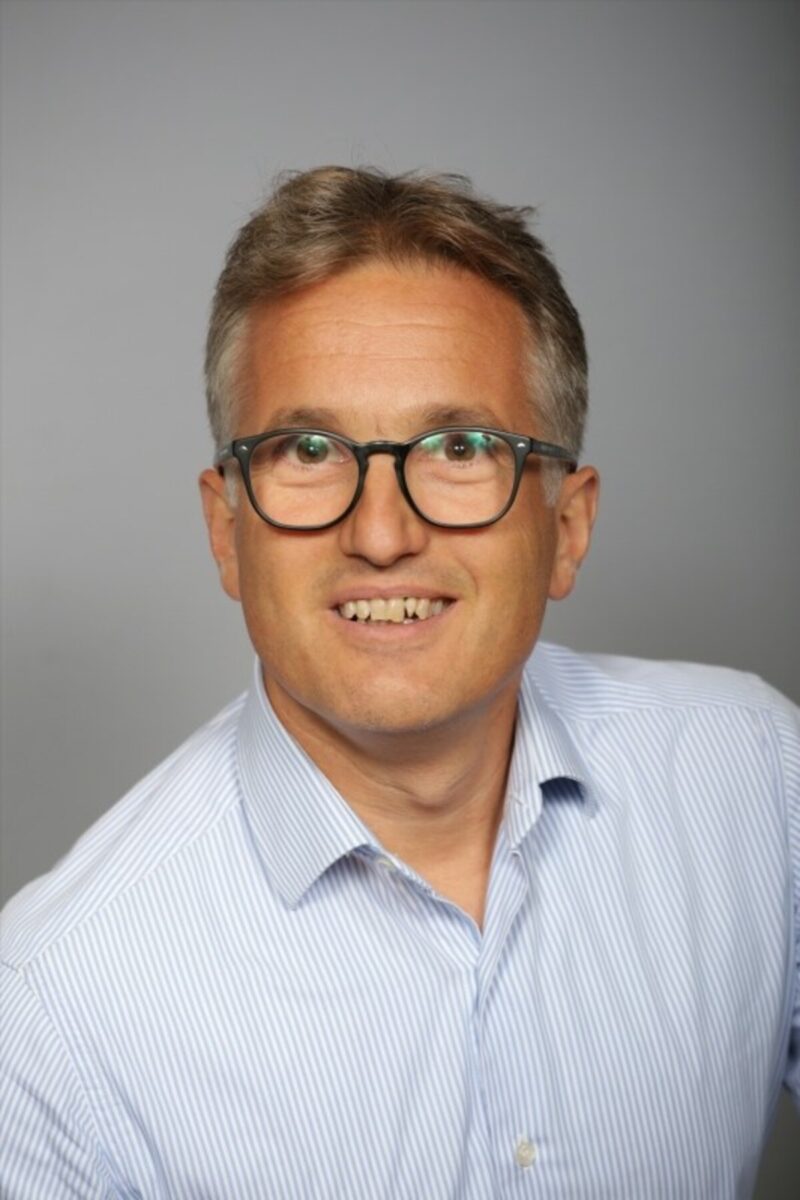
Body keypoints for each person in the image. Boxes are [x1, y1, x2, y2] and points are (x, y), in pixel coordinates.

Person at [1, 166, 798, 1199]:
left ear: (566, 526)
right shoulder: (50, 1009)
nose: (382, 533)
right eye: (309, 449)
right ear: (226, 531)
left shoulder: (756, 781)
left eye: (461, 447)